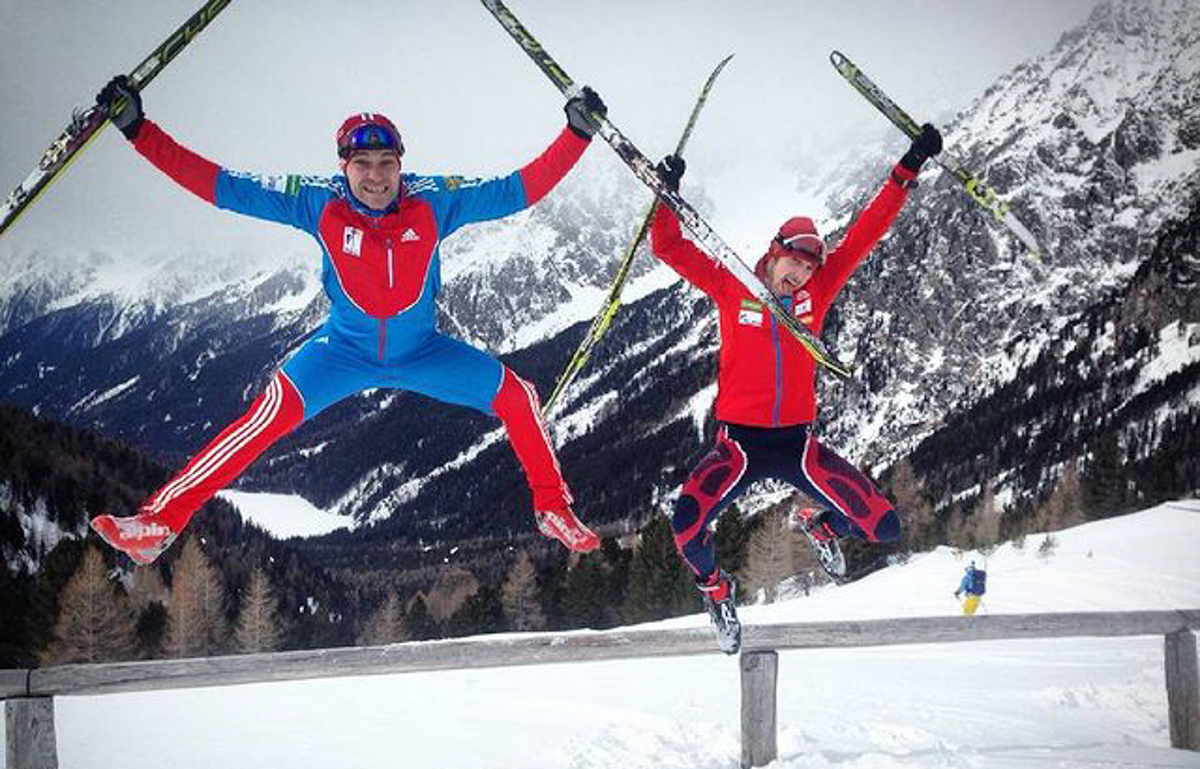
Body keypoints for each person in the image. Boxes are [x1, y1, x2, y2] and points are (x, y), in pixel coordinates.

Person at [88, 75, 608, 565]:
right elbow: (221, 186)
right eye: (363, 163)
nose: (377, 176)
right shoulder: (317, 202)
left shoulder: (435, 200)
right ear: (344, 166)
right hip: (342, 352)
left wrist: (576, 134)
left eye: (387, 163)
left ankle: (552, 509)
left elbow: (520, 189)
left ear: (401, 164)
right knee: (262, 421)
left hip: (422, 350)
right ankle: (158, 522)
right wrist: (139, 130)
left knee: (518, 397)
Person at [650, 123, 943, 653]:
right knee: (686, 528)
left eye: (810, 268)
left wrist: (908, 169)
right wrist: (665, 194)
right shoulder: (733, 284)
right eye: (794, 263)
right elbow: (666, 245)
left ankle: (821, 523)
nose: (801, 275)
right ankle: (717, 592)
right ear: (773, 252)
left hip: (798, 446)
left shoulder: (818, 293)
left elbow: (866, 232)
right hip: (738, 446)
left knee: (885, 528)